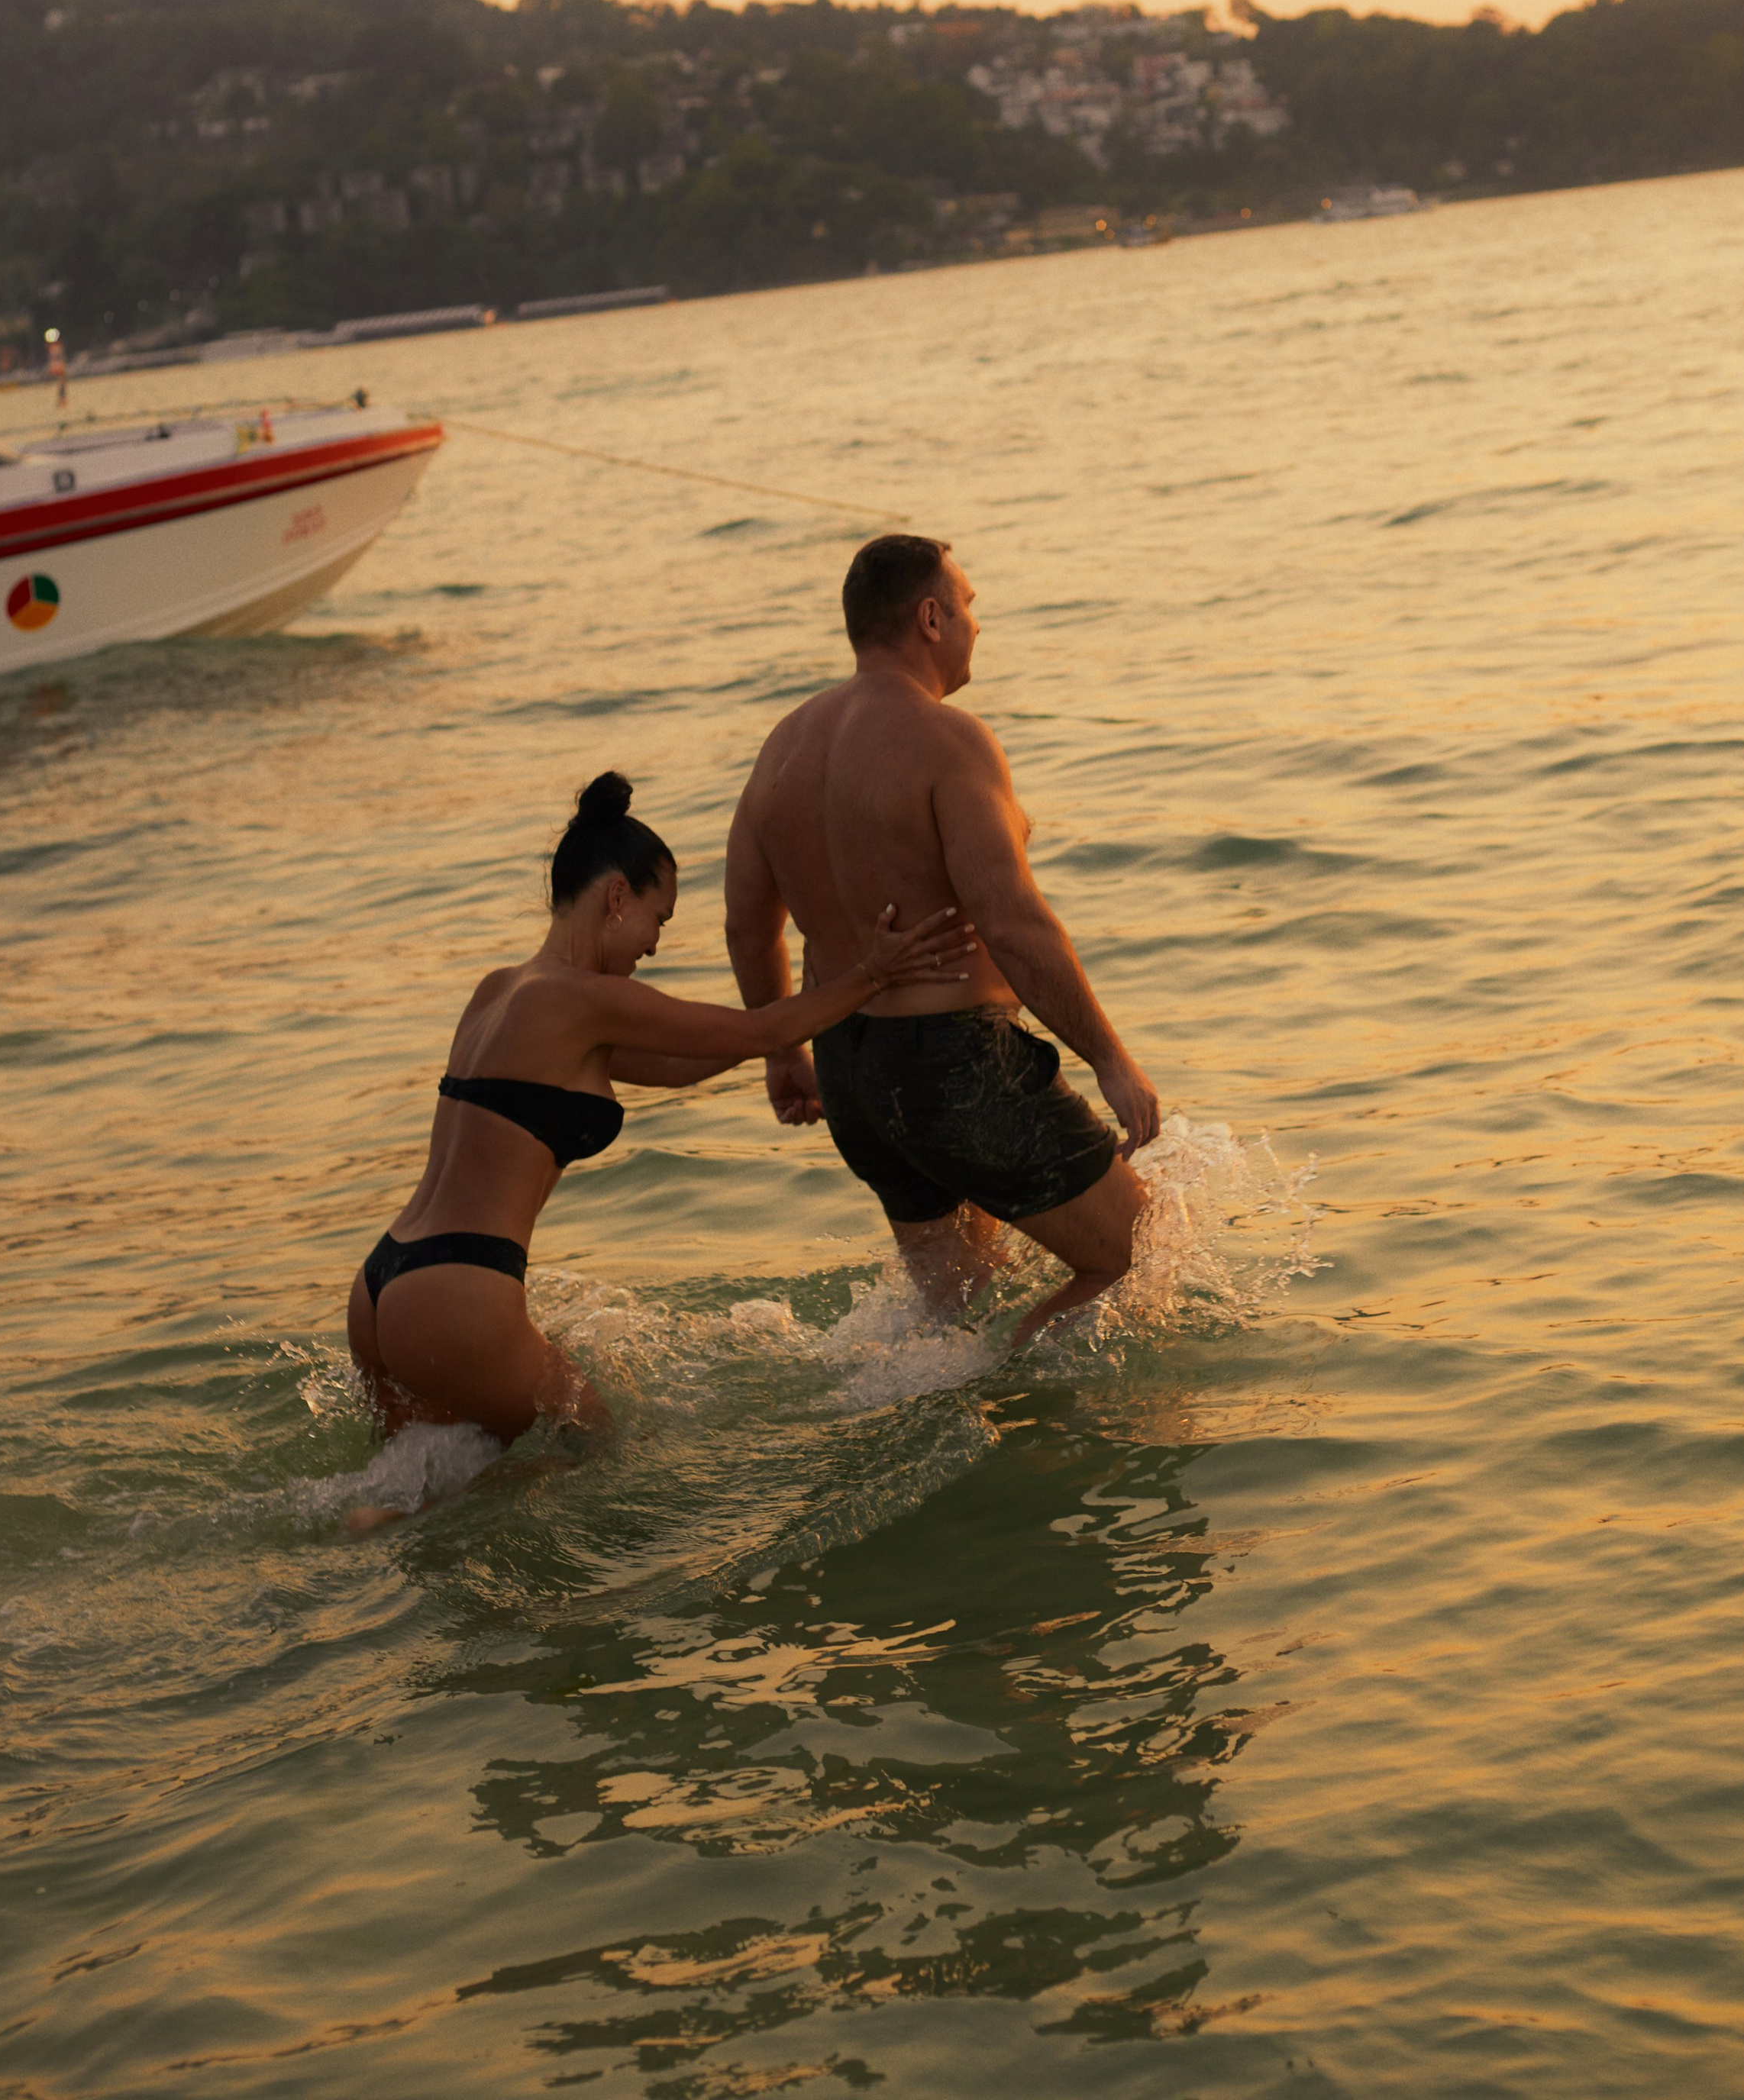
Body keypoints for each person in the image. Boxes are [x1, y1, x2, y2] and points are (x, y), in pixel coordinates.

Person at [347, 770, 971, 1445]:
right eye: (659, 918)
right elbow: (760, 1030)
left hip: (384, 1284)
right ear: (618, 896)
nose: (654, 943)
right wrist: (873, 973)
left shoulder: (499, 993)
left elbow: (680, 1063)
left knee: (413, 1503)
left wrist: (803, 1009)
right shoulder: (585, 997)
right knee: (592, 1449)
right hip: (457, 1293)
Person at [725, 536, 1161, 1344]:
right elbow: (1012, 921)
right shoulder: (947, 740)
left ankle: (957, 1408)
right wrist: (1108, 1057)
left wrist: (783, 1055)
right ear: (930, 618)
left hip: (850, 1070)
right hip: (956, 1068)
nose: (976, 625)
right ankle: (1011, 1378)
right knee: (1143, 1253)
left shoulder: (782, 748)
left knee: (954, 1319)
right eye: (969, 605)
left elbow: (749, 924)